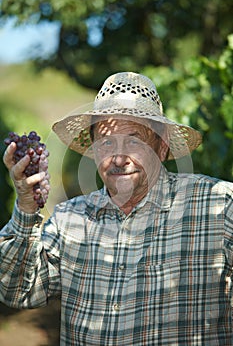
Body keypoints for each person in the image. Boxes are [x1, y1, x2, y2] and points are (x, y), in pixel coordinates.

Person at [0, 71, 232, 346]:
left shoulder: (219, 205)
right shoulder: (69, 219)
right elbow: (16, 290)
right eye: (107, 142)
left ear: (162, 147)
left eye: (134, 140)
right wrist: (26, 208)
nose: (119, 158)